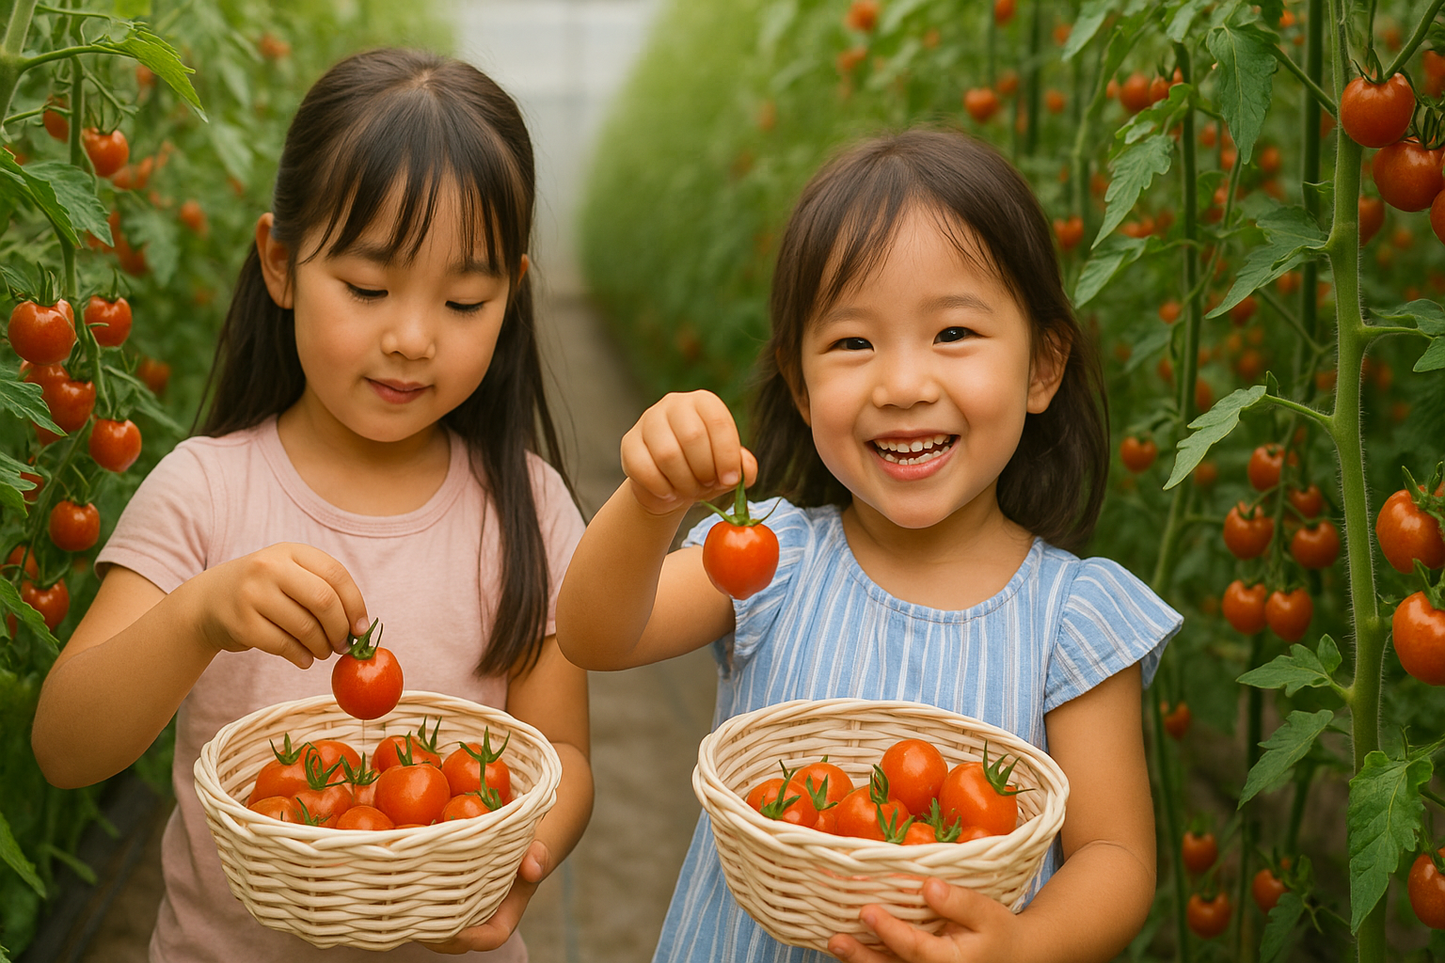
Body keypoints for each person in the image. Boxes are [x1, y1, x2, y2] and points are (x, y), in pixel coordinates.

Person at [555, 129, 1181, 963]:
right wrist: (648, 500)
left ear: (1042, 366)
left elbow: (1115, 856)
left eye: (953, 333)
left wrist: (1023, 943)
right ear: (800, 382)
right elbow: (598, 634)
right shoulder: (769, 558)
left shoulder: (1071, 617)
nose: (901, 385)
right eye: (853, 343)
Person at [30, 49, 592, 962]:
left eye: (463, 300)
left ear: (511, 298)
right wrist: (199, 614)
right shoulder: (207, 490)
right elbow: (66, 745)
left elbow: (562, 747)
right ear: (280, 264)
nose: (411, 337)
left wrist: (522, 864)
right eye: (367, 289)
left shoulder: (526, 504)